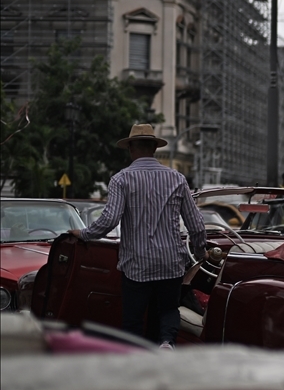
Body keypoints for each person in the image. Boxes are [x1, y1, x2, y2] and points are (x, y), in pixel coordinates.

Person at [70, 124, 209, 349]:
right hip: (171, 261)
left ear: (131, 149)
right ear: (154, 148)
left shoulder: (121, 179)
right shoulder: (177, 178)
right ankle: (166, 342)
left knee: (133, 319)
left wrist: (84, 234)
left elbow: (109, 220)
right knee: (168, 310)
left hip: (137, 263)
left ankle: (134, 354)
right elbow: (196, 225)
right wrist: (201, 252)